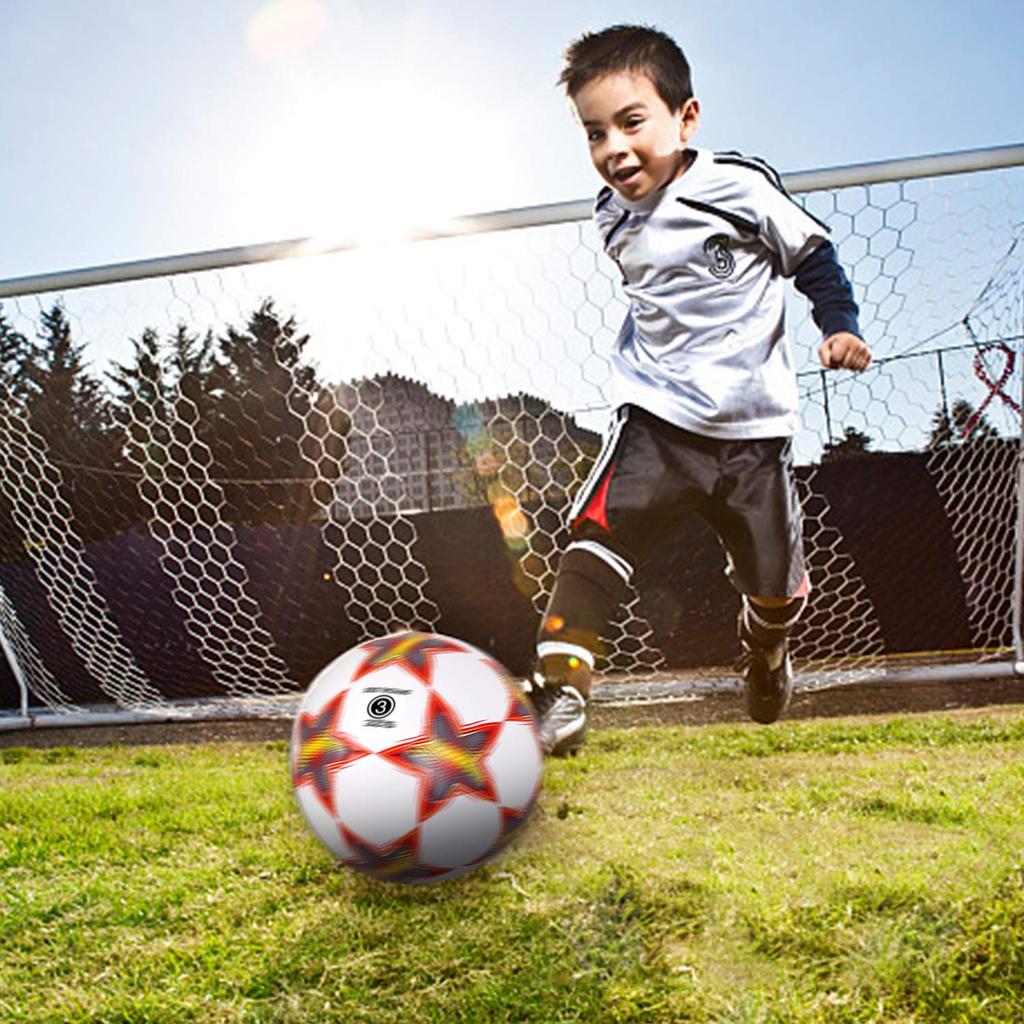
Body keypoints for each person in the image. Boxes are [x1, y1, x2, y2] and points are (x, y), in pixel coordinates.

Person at [525, 24, 872, 756]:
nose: (612, 148)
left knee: (776, 591)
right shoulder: (610, 215)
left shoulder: (738, 187)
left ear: (686, 119)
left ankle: (765, 650)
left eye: (630, 122)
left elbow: (813, 255)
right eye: (593, 133)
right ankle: (560, 696)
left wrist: (837, 325)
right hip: (659, 422)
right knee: (593, 543)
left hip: (754, 437)